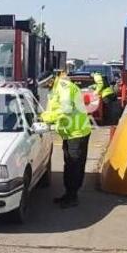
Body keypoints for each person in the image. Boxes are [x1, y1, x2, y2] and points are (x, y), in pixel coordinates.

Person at [41, 73, 92, 208]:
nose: (44, 87)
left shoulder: (64, 88)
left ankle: (73, 196)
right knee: (69, 163)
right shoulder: (55, 89)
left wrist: (46, 118)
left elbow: (66, 110)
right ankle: (68, 194)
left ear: (51, 80)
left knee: (74, 165)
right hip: (69, 133)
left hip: (77, 132)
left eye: (45, 84)